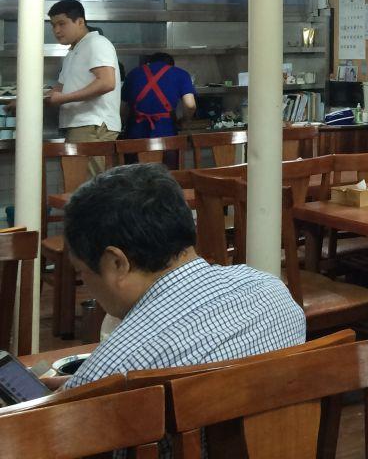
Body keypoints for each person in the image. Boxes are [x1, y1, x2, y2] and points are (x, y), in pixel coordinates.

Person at [60, 162, 305, 390]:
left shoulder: (111, 374)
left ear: (117, 263)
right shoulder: (274, 291)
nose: (86, 283)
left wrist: (78, 386)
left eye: (81, 271)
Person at [46, 0, 122, 143]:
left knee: (85, 166)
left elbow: (106, 83)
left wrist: (63, 98)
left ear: (80, 22)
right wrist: (24, 102)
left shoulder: (97, 43)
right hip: (80, 124)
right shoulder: (73, 51)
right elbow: (59, 89)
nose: (56, 30)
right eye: (53, 25)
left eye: (62, 24)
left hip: (93, 124)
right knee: (74, 166)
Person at [122, 52, 197, 139]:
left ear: (148, 63)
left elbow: (122, 109)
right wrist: (184, 121)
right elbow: (190, 105)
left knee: (135, 152)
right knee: (165, 152)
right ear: (171, 65)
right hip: (166, 132)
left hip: (136, 132)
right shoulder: (181, 74)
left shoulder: (133, 73)